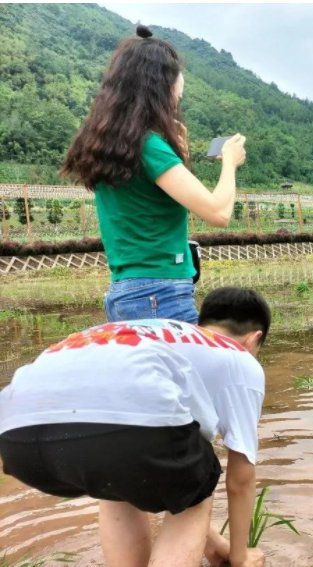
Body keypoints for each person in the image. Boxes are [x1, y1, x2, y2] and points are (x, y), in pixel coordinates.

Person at [0, 287, 270, 567]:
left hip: (17, 436)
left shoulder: (149, 332)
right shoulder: (238, 356)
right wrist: (240, 556)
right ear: (254, 339)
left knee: (120, 481)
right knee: (199, 484)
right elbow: (240, 478)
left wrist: (212, 543)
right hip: (120, 431)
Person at [60, 25, 247, 324]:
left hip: (126, 292)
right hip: (158, 295)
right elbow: (218, 212)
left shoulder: (116, 145)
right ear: (159, 90)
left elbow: (155, 205)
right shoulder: (149, 148)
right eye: (177, 95)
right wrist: (229, 162)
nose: (177, 102)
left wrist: (178, 154)